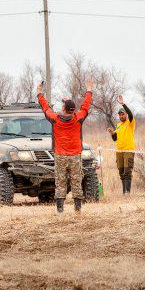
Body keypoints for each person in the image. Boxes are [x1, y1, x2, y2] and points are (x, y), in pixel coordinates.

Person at [37, 77, 94, 213]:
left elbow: (46, 108)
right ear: (73, 110)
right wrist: (89, 90)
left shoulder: (55, 119)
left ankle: (60, 209)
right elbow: (85, 106)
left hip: (60, 156)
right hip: (75, 156)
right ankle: (77, 209)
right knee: (76, 181)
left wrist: (39, 94)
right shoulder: (78, 118)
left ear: (63, 108)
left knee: (60, 182)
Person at [107, 95, 135, 194]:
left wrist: (123, 103)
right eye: (120, 115)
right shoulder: (119, 125)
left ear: (126, 115)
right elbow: (115, 139)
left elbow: (131, 114)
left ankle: (127, 192)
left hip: (128, 150)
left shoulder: (130, 122)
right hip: (119, 151)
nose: (121, 116)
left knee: (127, 171)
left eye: (123, 114)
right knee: (121, 171)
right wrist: (112, 133)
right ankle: (124, 192)